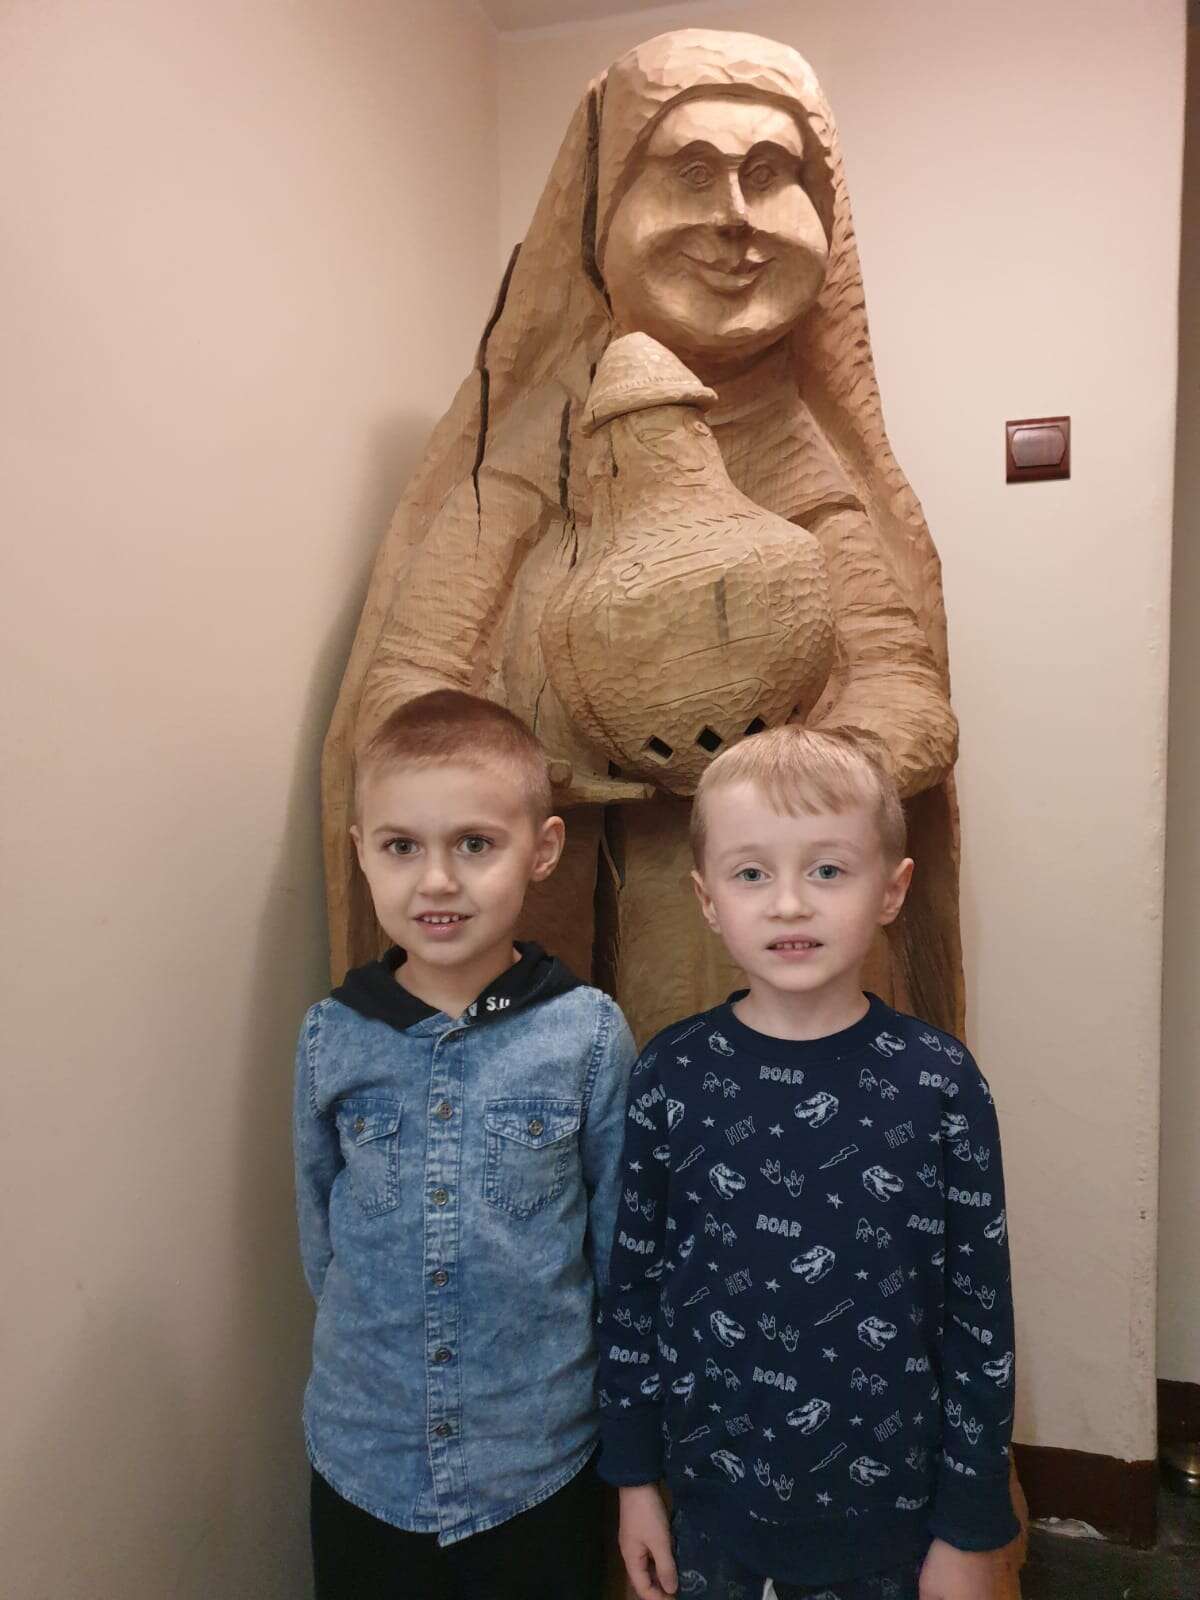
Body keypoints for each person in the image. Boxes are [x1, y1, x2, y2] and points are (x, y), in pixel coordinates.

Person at [321, 29, 963, 1047]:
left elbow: (903, 688)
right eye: (693, 172)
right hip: (541, 935)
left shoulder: (798, 451)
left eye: (769, 175)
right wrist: (535, 772)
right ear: (602, 205)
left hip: (756, 940)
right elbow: (410, 685)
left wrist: (779, 780)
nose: (735, 218)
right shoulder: (537, 441)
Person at [596, 726, 1019, 1600]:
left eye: (827, 869)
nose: (789, 903)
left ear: (891, 889)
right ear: (708, 899)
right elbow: (633, 1289)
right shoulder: (671, 1074)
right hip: (712, 1511)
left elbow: (980, 1320)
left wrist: (970, 1528)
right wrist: (635, 1483)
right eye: (752, 874)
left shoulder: (940, 1084)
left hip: (896, 1519)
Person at [294, 689, 636, 1600]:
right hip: (364, 1457)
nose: (437, 882)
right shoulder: (332, 1035)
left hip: (537, 1462)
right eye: (402, 846)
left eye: (475, 845)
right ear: (361, 850)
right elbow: (322, 1238)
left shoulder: (587, 1035)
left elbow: (617, 1250)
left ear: (543, 850)